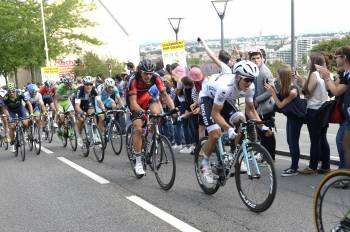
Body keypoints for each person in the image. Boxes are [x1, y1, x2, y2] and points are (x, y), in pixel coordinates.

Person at [198, 60, 271, 184]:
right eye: (247, 80)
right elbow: (215, 113)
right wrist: (229, 129)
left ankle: (234, 155)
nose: (250, 83)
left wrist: (263, 126)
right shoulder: (224, 87)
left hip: (223, 99)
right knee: (215, 133)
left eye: (252, 79)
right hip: (207, 98)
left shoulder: (250, 87)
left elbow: (251, 110)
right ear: (237, 77)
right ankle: (204, 164)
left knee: (241, 120)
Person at [127, 59, 176, 176]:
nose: (148, 76)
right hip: (134, 102)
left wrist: (173, 109)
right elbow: (133, 103)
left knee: (157, 115)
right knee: (138, 128)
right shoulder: (133, 79)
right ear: (140, 71)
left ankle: (149, 138)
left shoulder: (156, 77)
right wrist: (143, 113)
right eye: (145, 73)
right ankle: (138, 161)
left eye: (150, 73)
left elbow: (165, 95)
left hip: (147, 98)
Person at [316, 46, 350, 171]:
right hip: (345, 115)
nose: (335, 60)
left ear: (344, 58)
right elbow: (331, 88)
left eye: (337, 57)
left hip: (348, 116)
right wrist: (327, 77)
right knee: (342, 143)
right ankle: (343, 173)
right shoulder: (344, 73)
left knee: (343, 144)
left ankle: (344, 174)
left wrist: (326, 76)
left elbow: (335, 91)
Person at [265, 65, 303, 177]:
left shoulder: (293, 91)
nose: (276, 78)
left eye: (278, 76)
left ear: (283, 77)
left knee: (293, 143)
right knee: (290, 142)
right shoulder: (286, 87)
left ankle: (294, 168)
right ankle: (293, 167)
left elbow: (280, 105)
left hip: (296, 118)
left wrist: (272, 93)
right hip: (291, 117)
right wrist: (274, 91)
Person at [297, 53, 330, 174]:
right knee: (322, 138)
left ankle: (312, 166)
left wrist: (302, 86)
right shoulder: (326, 74)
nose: (308, 62)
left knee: (315, 139)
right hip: (324, 109)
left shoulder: (314, 74)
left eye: (309, 60)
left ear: (314, 62)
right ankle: (325, 165)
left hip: (314, 110)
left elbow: (308, 93)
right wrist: (303, 80)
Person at [249, 49, 276, 161]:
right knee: (262, 132)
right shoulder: (254, 70)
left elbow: (271, 90)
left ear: (262, 58)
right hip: (258, 107)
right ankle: (264, 155)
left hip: (266, 107)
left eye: (258, 58)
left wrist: (257, 100)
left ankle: (270, 157)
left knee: (268, 133)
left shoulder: (265, 72)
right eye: (253, 59)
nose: (256, 60)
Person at [75, 76, 106, 148]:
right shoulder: (79, 91)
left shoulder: (94, 90)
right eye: (87, 84)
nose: (89, 86)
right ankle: (79, 136)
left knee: (93, 114)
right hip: (79, 105)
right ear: (84, 85)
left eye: (90, 84)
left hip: (88, 104)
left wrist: (103, 109)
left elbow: (99, 101)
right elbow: (77, 106)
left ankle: (94, 133)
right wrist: (82, 113)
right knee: (80, 119)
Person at [3, 83, 33, 152]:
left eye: (13, 91)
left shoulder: (20, 93)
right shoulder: (6, 98)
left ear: (15, 90)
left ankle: (23, 133)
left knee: (25, 123)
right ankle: (12, 144)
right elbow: (4, 109)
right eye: (9, 91)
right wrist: (8, 116)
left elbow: (28, 103)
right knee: (12, 126)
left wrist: (31, 113)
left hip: (20, 109)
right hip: (11, 111)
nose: (11, 93)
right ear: (7, 91)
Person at [54, 74, 78, 139]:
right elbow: (55, 99)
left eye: (70, 83)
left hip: (67, 102)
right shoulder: (60, 88)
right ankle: (59, 129)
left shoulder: (74, 87)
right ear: (64, 83)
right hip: (59, 103)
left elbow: (78, 95)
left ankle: (71, 130)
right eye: (67, 84)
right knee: (61, 118)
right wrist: (57, 110)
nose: (68, 85)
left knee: (72, 114)